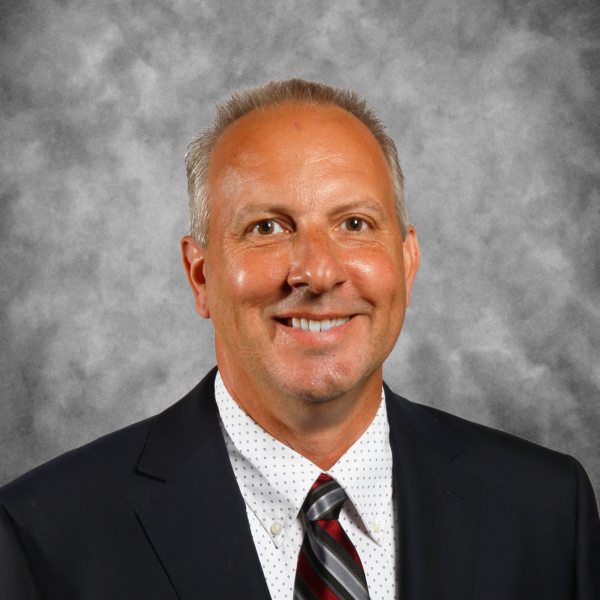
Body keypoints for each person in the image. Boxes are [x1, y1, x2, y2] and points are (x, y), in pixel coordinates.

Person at [0, 79, 598, 600]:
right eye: (267, 227)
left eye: (354, 224)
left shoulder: (545, 511)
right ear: (201, 275)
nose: (317, 271)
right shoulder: (45, 534)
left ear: (407, 262)